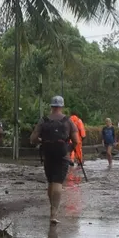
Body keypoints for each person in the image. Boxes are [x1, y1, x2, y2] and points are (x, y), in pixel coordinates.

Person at [30, 96, 80, 225]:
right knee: (58, 182)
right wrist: (69, 148)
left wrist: (43, 141)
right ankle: (54, 213)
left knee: (51, 182)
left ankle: (52, 207)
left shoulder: (43, 120)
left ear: (51, 106)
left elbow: (33, 138)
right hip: (62, 155)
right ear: (62, 106)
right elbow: (76, 140)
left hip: (47, 153)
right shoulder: (68, 121)